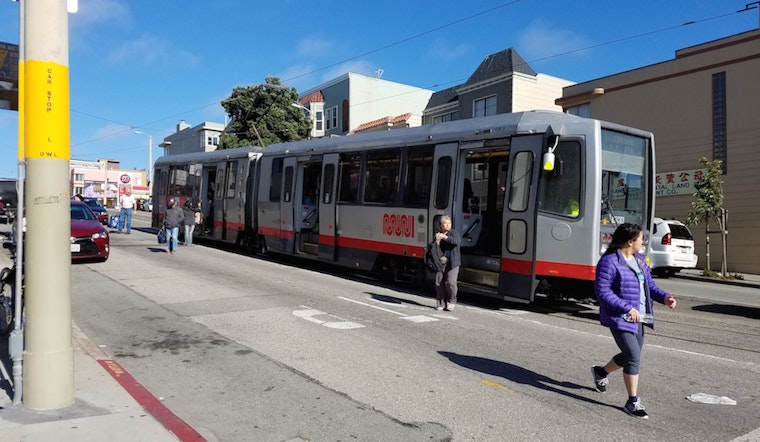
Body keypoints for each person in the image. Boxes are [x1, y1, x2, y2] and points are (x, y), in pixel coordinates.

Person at [591, 223, 677, 420]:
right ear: (630, 241)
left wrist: (665, 297)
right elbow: (603, 292)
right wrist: (626, 307)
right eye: (640, 239)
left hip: (640, 317)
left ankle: (601, 372)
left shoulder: (639, 260)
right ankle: (632, 401)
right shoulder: (609, 262)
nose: (642, 242)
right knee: (633, 356)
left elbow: (650, 286)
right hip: (620, 317)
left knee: (630, 355)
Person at [433, 215, 461, 311]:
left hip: (453, 262)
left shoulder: (454, 233)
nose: (448, 225)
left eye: (449, 223)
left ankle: (452, 301)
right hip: (442, 262)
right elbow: (435, 250)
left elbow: (456, 242)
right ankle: (440, 303)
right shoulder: (438, 234)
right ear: (441, 225)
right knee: (439, 282)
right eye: (445, 223)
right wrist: (437, 242)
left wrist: (445, 237)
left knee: (450, 282)